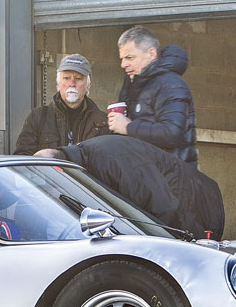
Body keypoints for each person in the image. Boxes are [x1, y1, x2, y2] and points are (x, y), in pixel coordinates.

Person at [36, 135, 224, 240]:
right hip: (178, 203)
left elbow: (164, 207)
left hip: (199, 203)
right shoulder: (84, 161)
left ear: (59, 170)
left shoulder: (113, 162)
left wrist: (193, 240)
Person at [108, 26, 198, 167]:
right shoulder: (133, 84)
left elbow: (172, 132)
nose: (123, 64)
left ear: (151, 53)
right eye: (122, 58)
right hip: (147, 174)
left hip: (171, 178)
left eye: (129, 57)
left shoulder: (171, 84)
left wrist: (128, 127)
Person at [13, 53, 108, 155]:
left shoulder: (102, 122)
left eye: (78, 78)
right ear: (58, 85)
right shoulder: (37, 117)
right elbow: (22, 158)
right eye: (66, 78)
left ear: (88, 86)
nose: (72, 83)